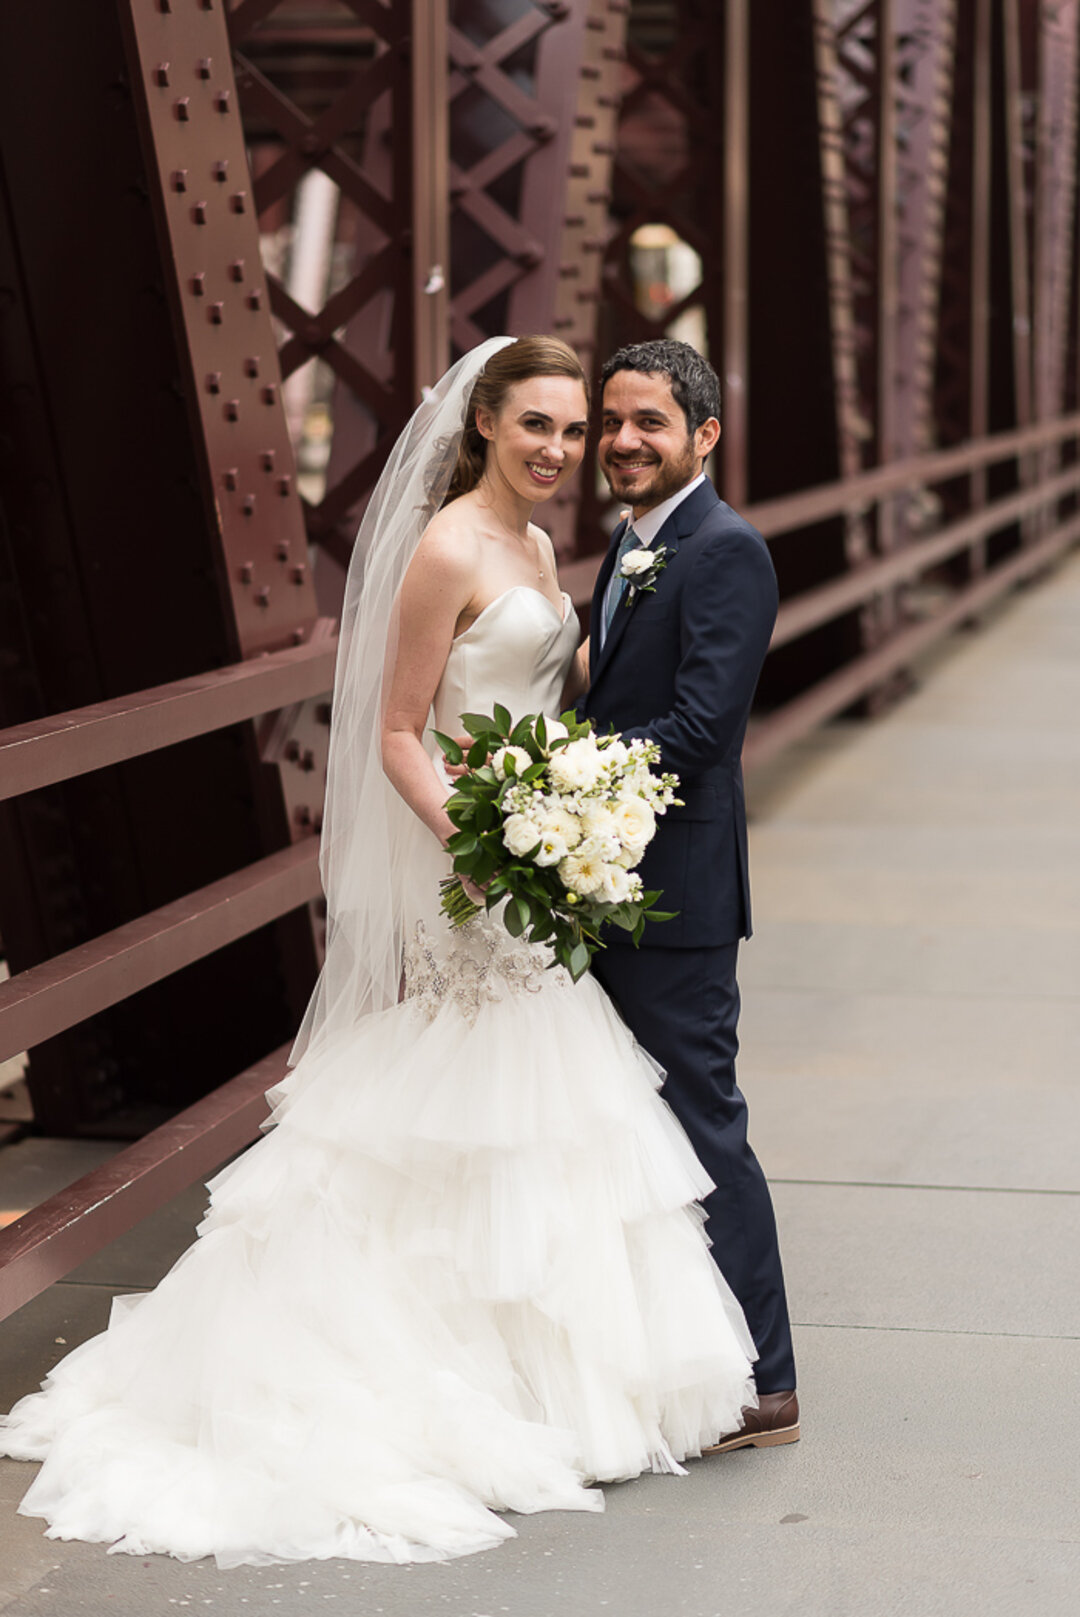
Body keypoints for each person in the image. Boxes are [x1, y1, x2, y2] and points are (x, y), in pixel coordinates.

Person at [0, 337, 756, 1568]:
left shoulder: (543, 548)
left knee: (538, 1121)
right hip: (477, 869)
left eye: (575, 430)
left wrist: (557, 815)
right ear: (485, 429)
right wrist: (482, 835)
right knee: (464, 1110)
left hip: (537, 869)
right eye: (539, 428)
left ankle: (530, 1389)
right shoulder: (451, 544)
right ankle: (411, 1384)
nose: (562, 450)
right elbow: (400, 729)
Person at [582, 338, 798, 1447]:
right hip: (605, 885)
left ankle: (766, 1382)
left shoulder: (723, 550)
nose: (622, 441)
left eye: (648, 423)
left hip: (674, 899)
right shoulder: (629, 548)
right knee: (626, 1129)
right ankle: (661, 1359)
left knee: (702, 1127)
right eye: (610, 420)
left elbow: (705, 733)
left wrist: (564, 785)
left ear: (704, 436)